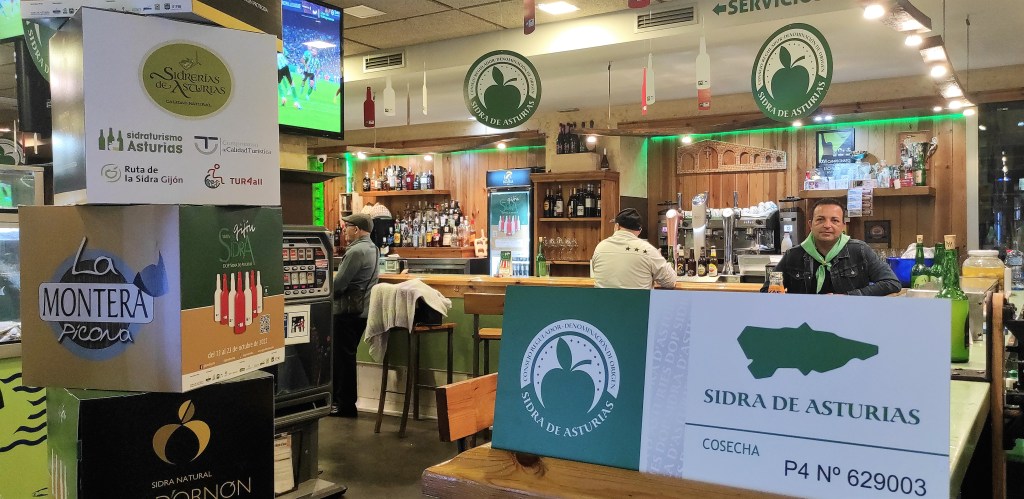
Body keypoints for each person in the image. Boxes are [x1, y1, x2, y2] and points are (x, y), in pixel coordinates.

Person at [762, 198, 900, 296]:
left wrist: (849, 297)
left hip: (849, 319)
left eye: (834, 220)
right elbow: (767, 291)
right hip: (805, 321)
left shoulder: (860, 250)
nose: (827, 225)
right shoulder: (793, 255)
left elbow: (892, 283)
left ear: (843, 226)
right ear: (810, 224)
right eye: (820, 219)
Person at [332, 213, 380, 417]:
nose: (344, 230)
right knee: (347, 356)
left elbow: (338, 284)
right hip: (363, 311)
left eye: (347, 227)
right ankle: (345, 403)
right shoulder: (374, 249)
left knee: (342, 359)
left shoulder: (356, 251)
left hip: (346, 311)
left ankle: (344, 405)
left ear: (357, 230)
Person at [590, 208, 677, 289]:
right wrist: (659, 258)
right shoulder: (648, 251)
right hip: (638, 301)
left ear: (617, 226)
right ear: (639, 231)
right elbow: (670, 282)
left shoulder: (600, 247)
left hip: (604, 301)